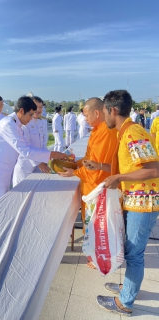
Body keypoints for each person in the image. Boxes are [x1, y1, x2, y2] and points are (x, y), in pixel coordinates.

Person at [84, 90, 159, 317]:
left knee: (134, 255)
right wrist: (102, 168)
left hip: (144, 204)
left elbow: (153, 169)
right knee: (130, 252)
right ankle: (128, 287)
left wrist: (118, 178)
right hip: (135, 202)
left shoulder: (132, 132)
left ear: (112, 110)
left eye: (105, 111)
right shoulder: (124, 131)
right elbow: (130, 167)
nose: (105, 116)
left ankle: (125, 302)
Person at [58, 98, 118, 267]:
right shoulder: (97, 130)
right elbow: (90, 158)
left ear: (97, 113)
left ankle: (98, 257)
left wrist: (75, 172)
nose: (84, 119)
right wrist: (75, 163)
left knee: (97, 224)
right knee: (91, 223)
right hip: (91, 186)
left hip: (99, 187)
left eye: (86, 115)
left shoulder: (106, 131)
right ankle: (95, 253)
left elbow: (96, 167)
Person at [0, 96, 68, 207]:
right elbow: (26, 151)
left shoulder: (15, 124)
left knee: (2, 207)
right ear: (21, 111)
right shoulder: (8, 125)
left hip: (3, 172)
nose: (32, 118)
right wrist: (52, 154)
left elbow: (28, 147)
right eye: (30, 114)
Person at [13, 96, 50, 187]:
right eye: (36, 107)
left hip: (38, 166)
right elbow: (27, 146)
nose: (38, 110)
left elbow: (43, 143)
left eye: (40, 107)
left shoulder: (42, 122)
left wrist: (46, 158)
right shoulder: (25, 122)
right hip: (25, 167)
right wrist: (39, 163)